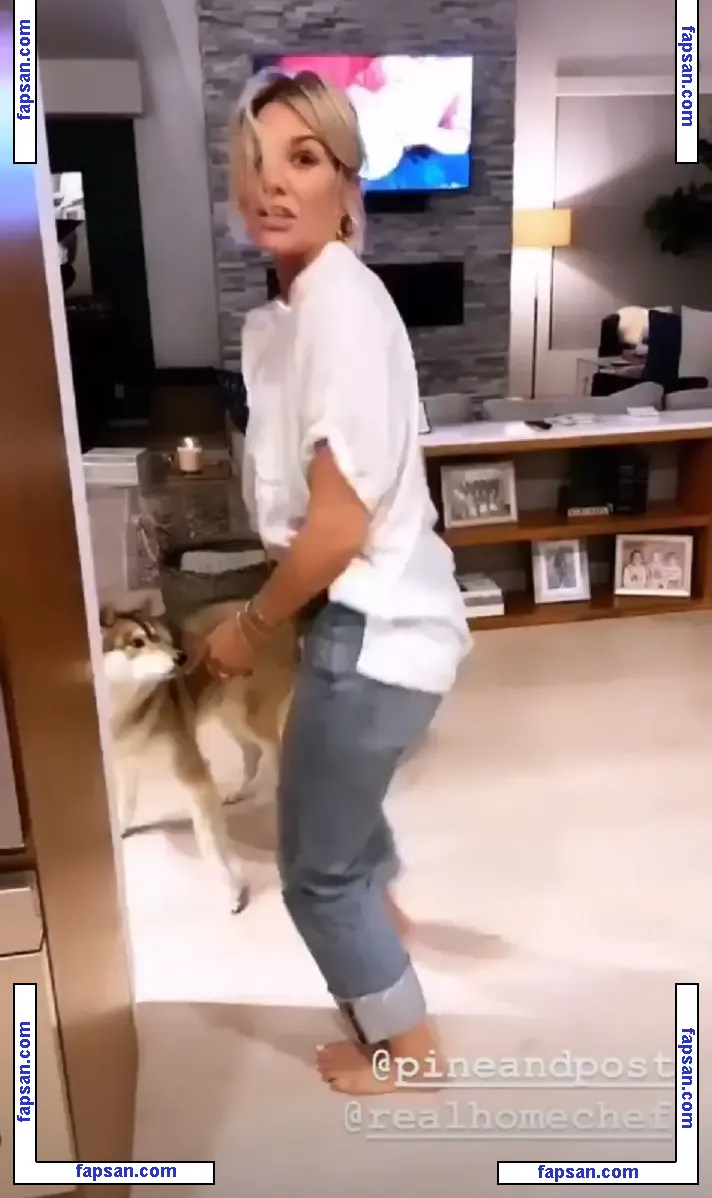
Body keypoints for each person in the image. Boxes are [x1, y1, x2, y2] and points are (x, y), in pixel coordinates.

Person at [202, 69, 471, 1095]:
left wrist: (249, 626)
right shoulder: (299, 308)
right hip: (368, 621)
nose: (273, 183)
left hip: (371, 628)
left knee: (314, 874)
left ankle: (410, 1051)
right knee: (337, 812)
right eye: (256, 163)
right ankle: (381, 912)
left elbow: (336, 526)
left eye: (304, 159)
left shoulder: (340, 312)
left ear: (348, 186)